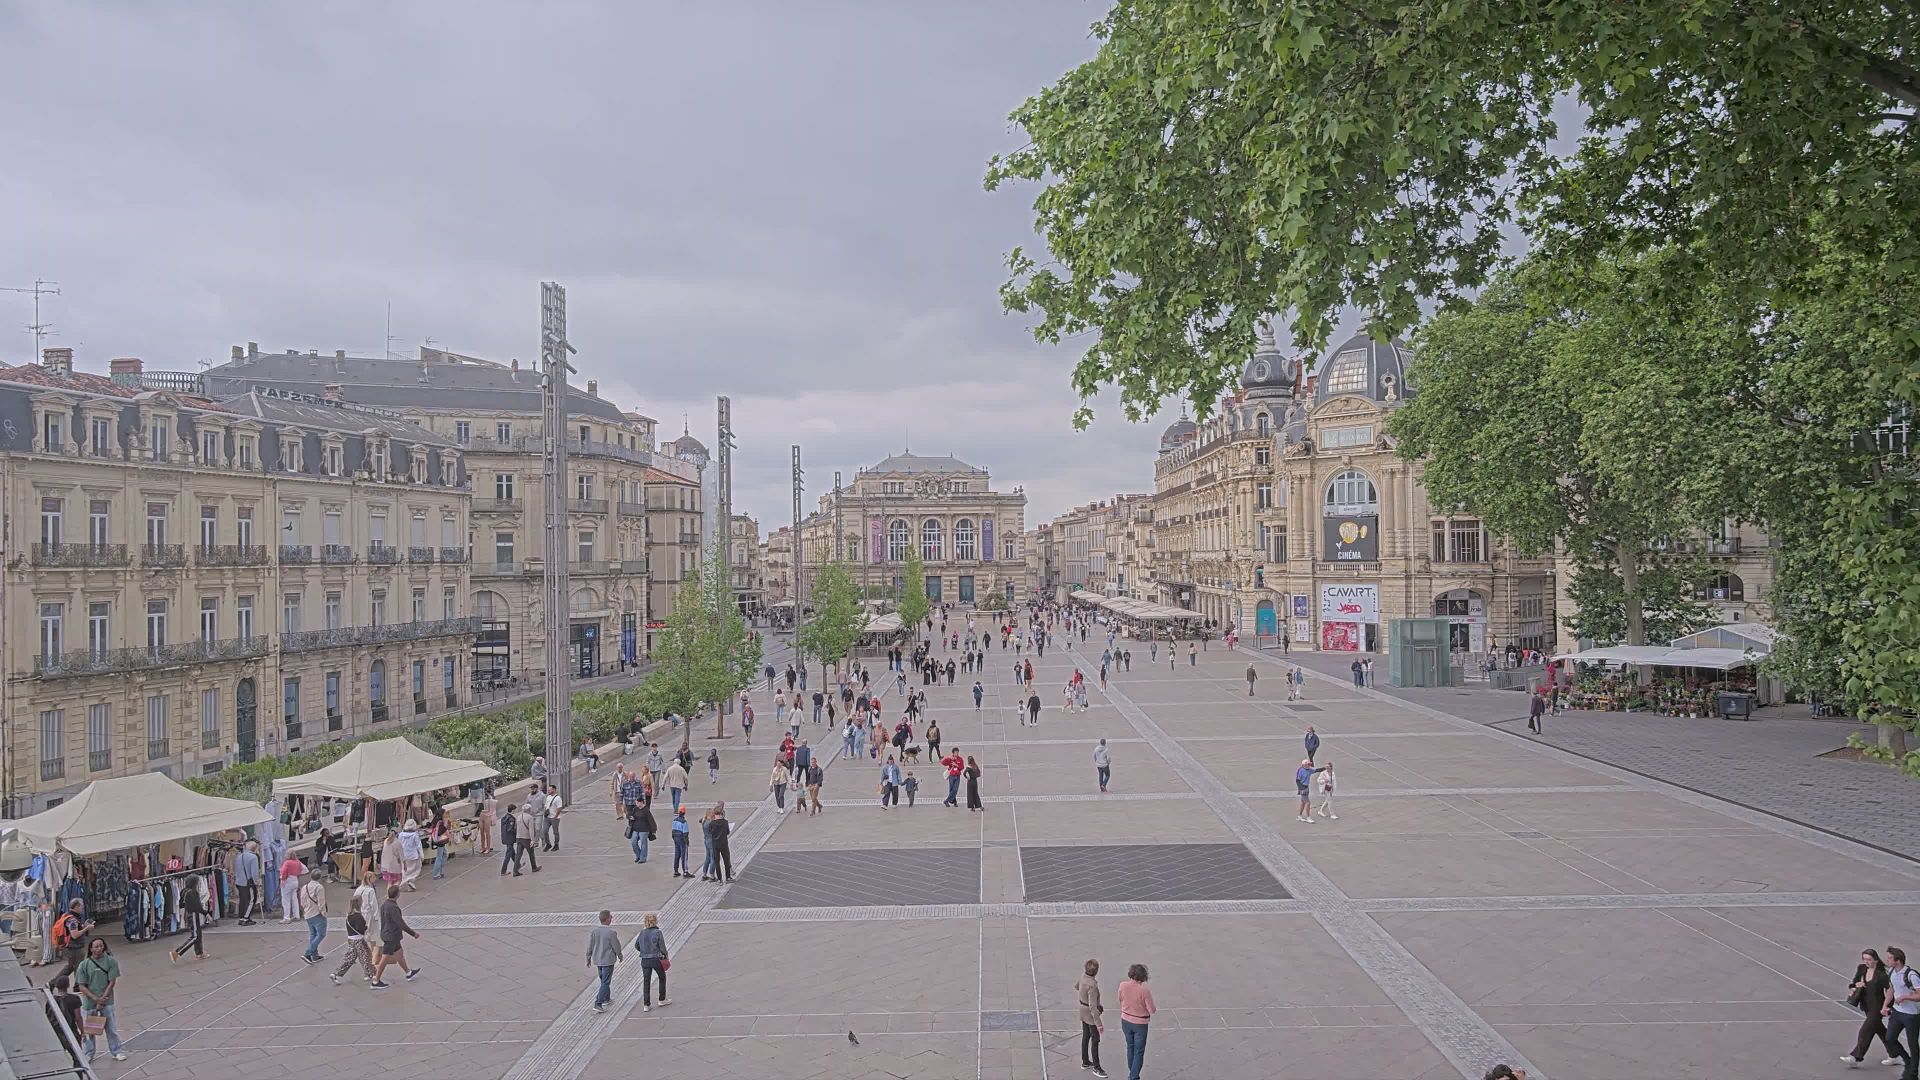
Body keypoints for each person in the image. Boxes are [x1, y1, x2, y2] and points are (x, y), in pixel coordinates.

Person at [1843, 948, 1902, 1066]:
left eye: (1869, 959)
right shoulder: (1862, 968)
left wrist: (1886, 1007)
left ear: (1875, 960)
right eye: (1864, 959)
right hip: (1865, 1005)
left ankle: (1855, 1057)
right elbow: (1853, 983)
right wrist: (1856, 985)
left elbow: (1890, 991)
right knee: (1880, 1031)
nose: (1866, 962)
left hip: (1877, 1007)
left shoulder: (1882, 975)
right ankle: (1895, 1054)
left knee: (1865, 1031)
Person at [74, 937, 126, 1062]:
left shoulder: (111, 961)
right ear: (91, 949)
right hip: (89, 1002)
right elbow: (82, 985)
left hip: (106, 1001)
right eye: (96, 946)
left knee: (111, 1028)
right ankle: (89, 1053)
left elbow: (112, 981)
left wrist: (103, 998)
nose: (99, 949)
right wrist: (95, 999)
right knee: (90, 1030)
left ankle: (116, 1051)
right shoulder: (84, 965)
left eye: (101, 946)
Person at [370, 885, 422, 987]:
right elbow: (400, 923)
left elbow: (384, 920)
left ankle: (408, 972)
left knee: (399, 953)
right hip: (391, 936)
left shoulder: (385, 904)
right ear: (397, 894)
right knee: (385, 959)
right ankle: (376, 980)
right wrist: (413, 934)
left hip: (388, 934)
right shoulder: (393, 907)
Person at [1117, 962, 1155, 1080]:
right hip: (1140, 1024)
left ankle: (1133, 1073)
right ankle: (1133, 1076)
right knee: (1139, 1051)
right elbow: (1152, 1010)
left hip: (1125, 1020)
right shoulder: (1144, 991)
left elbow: (1120, 998)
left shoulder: (1122, 985)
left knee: (1130, 1047)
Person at [330, 893, 378, 986]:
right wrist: (366, 927)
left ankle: (336, 974)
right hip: (358, 940)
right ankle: (371, 974)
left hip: (351, 939)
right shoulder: (358, 916)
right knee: (366, 956)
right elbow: (361, 928)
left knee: (352, 958)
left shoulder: (349, 915)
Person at [1887, 946, 1920, 1078]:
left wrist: (1905, 997)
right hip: (1897, 1012)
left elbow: (1919, 995)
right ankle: (1908, 1061)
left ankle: (1913, 1073)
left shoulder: (1911, 975)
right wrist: (1885, 1005)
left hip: (1911, 1015)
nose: (1887, 960)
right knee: (1890, 1038)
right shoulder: (1891, 972)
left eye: (1890, 958)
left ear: (1898, 961)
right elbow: (1891, 990)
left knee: (1913, 1044)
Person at [587, 910, 623, 1013]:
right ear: (607, 919)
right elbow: (616, 946)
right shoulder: (611, 933)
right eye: (611, 917)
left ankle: (606, 998)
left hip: (598, 960)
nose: (612, 918)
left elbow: (590, 946)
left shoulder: (594, 932)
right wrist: (620, 955)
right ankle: (598, 1003)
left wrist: (588, 957)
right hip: (608, 960)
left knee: (603, 979)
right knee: (605, 982)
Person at [1078, 958, 1109, 1077]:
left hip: (1082, 1010)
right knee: (1095, 1040)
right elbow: (1092, 1006)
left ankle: (1085, 1061)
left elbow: (1077, 986)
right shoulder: (1092, 985)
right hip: (1090, 1015)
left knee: (1085, 1036)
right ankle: (1097, 1067)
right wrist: (1099, 1024)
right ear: (1096, 971)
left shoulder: (1082, 977)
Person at [634, 912, 670, 1010]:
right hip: (656, 959)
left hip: (644, 960)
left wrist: (643, 951)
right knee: (662, 977)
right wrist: (665, 956)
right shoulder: (658, 932)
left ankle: (646, 1004)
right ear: (655, 921)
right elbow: (662, 947)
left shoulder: (642, 932)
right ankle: (662, 999)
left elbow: (636, 945)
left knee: (646, 981)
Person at [169, 874, 209, 963]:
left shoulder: (184, 891)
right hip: (193, 914)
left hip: (188, 913)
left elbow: (181, 904)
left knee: (198, 933)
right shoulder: (193, 892)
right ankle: (177, 952)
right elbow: (198, 906)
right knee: (195, 936)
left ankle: (199, 953)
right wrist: (206, 914)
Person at [299, 868, 328, 964]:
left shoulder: (305, 887)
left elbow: (302, 901)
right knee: (321, 934)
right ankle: (308, 953)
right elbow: (321, 902)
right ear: (320, 877)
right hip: (317, 913)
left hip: (308, 913)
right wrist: (323, 913)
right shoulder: (319, 887)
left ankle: (315, 956)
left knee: (313, 934)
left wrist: (305, 909)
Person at [234, 840, 262, 925]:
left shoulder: (239, 856)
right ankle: (246, 918)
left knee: (242, 900)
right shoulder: (253, 857)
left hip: (239, 882)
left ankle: (242, 917)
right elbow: (254, 872)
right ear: (255, 848)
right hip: (248, 882)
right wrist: (257, 882)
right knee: (251, 900)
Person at [1295, 758, 1330, 823]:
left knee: (1303, 802)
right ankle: (1308, 817)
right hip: (1303, 788)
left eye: (1309, 764)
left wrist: (1324, 768)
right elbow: (1297, 781)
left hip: (1307, 787)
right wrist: (1301, 789)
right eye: (1308, 764)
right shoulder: (1300, 770)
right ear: (1304, 765)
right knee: (1308, 803)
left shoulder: (1309, 769)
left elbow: (1317, 770)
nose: (1309, 765)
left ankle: (1299, 816)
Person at [627, 790, 656, 864]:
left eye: (637, 802)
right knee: (633, 842)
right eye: (636, 802)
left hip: (644, 829)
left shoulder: (646, 810)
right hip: (635, 829)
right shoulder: (635, 809)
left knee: (643, 844)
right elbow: (632, 816)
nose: (636, 804)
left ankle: (643, 858)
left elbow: (651, 820)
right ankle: (638, 855)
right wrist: (631, 818)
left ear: (641, 802)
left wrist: (653, 830)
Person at [707, 803, 734, 881]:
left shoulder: (712, 823)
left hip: (715, 844)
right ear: (721, 813)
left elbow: (710, 832)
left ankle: (719, 879)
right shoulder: (725, 822)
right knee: (726, 860)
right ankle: (728, 877)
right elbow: (727, 832)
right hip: (724, 843)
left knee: (717, 862)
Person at [514, 802, 542, 874]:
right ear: (529, 810)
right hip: (526, 838)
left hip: (519, 838)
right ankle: (534, 867)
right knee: (531, 853)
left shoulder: (519, 817)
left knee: (518, 855)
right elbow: (531, 830)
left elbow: (516, 828)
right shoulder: (530, 817)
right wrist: (532, 840)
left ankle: (515, 871)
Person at [398, 818, 424, 891]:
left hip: (403, 855)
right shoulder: (415, 835)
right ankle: (410, 881)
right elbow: (418, 846)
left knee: (405, 870)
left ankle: (406, 882)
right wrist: (422, 855)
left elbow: (399, 845)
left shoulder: (401, 834)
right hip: (413, 855)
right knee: (414, 870)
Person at [500, 802, 523, 875]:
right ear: (512, 810)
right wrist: (517, 832)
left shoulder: (504, 817)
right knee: (508, 854)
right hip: (510, 838)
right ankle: (503, 870)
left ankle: (518, 865)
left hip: (505, 837)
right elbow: (510, 829)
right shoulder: (511, 819)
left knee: (512, 852)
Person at [670, 808, 693, 877]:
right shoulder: (684, 822)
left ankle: (676, 871)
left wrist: (674, 838)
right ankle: (685, 871)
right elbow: (685, 833)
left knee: (677, 855)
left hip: (676, 839)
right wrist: (687, 842)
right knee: (684, 856)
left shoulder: (674, 820)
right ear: (684, 813)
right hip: (682, 840)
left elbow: (673, 831)